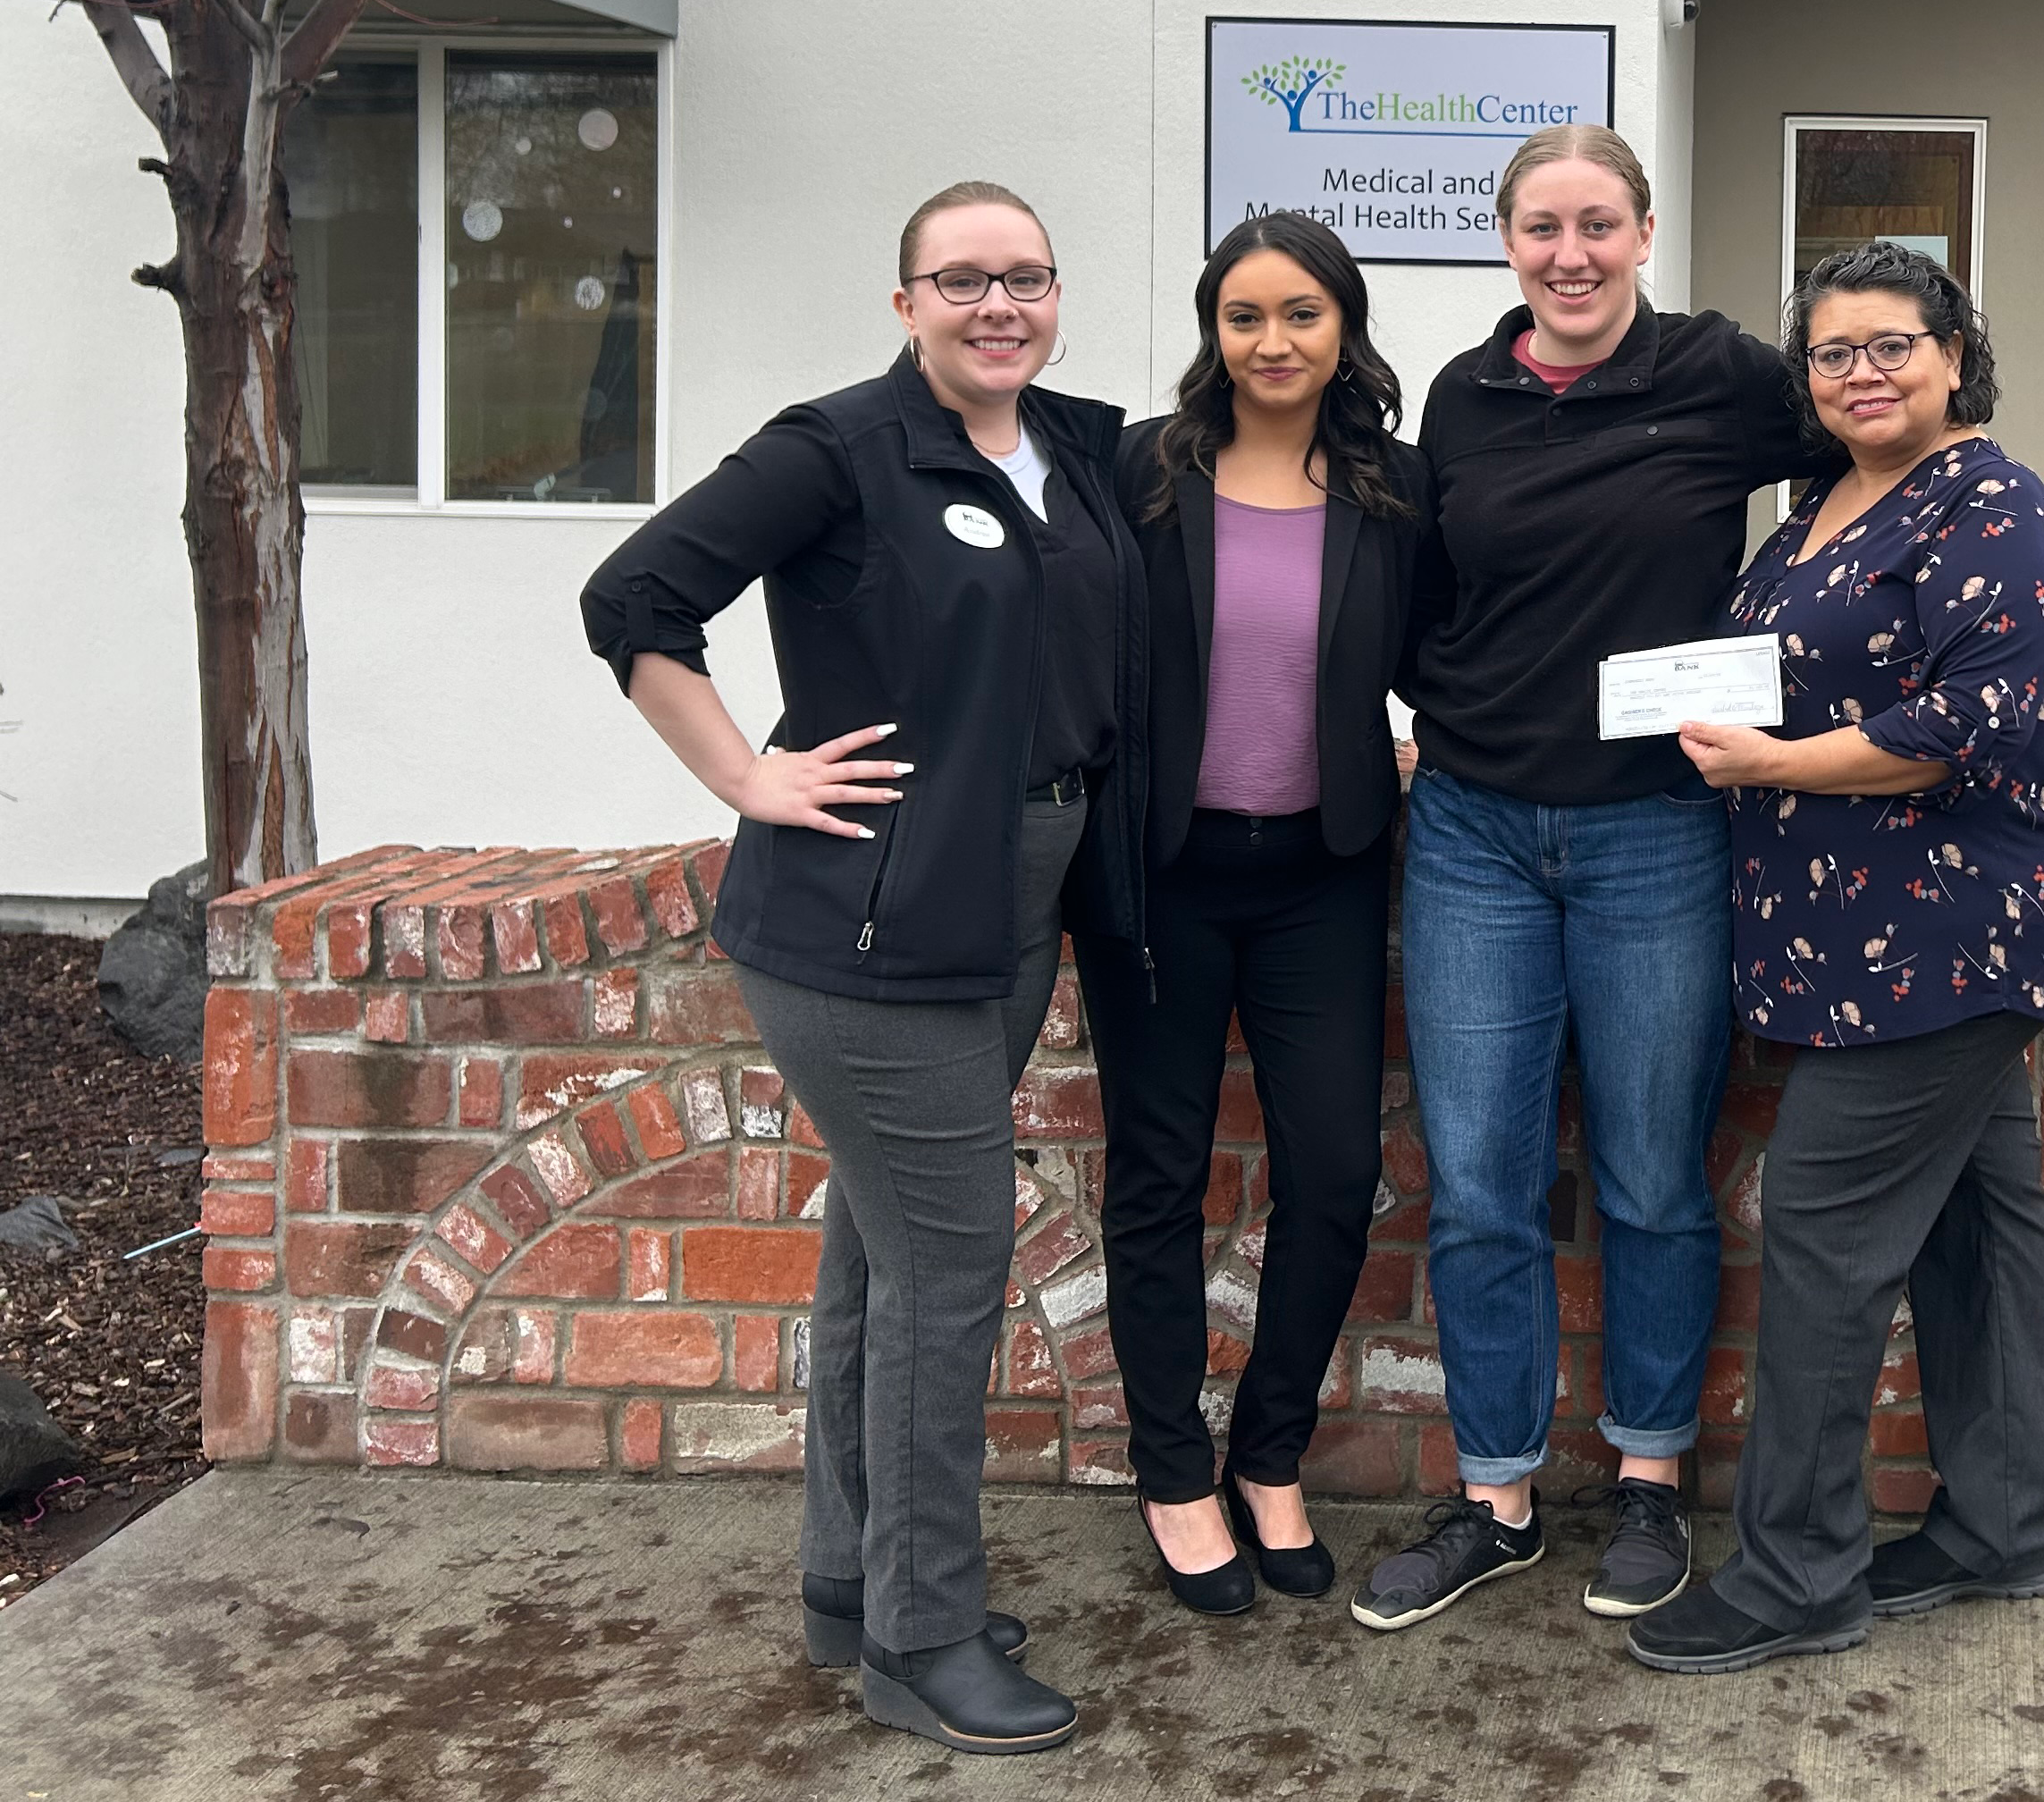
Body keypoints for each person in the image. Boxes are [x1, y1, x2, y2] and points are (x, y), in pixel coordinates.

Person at [580, 181, 1140, 1754]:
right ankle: (923, 1634)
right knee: (953, 1268)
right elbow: (633, 596)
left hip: (1015, 904)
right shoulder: (832, 448)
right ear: (905, 303)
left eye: (1025, 277)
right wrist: (745, 778)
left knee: (883, 1257)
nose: (997, 306)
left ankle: (850, 1583)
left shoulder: (1074, 453)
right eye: (960, 280)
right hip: (868, 927)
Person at [1348, 124, 1836, 1632]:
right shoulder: (1464, 394)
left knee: (1648, 1180)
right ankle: (1494, 1498)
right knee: (1483, 1185)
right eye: (1542, 228)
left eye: (1599, 227)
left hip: (1655, 830)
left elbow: (1887, 451)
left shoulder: (1723, 373)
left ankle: (1645, 1482)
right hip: (1478, 831)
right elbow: (1428, 585)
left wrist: (2037, 548)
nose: (1570, 256)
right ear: (1507, 240)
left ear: (1643, 232)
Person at [1627, 243, 2044, 1674]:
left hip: (1949, 932)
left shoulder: (1996, 504)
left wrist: (1775, 762)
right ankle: (2009, 1521)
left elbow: (1973, 721)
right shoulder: (1826, 502)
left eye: (1892, 344)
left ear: (1956, 353)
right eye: (1832, 354)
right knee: (1979, 1230)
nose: (1862, 372)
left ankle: (1795, 1574)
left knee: (1828, 1240)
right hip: (1863, 931)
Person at [1082, 211, 1427, 1616]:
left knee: (1335, 1176)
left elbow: (1496, 628)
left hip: (1323, 876)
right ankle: (1173, 1473)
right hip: (1158, 879)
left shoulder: (1397, 488)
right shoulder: (1138, 471)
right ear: (1211, 330)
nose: (1272, 342)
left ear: (1343, 327)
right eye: (1244, 316)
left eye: (1301, 314)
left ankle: (1267, 1456)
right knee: (1158, 1183)